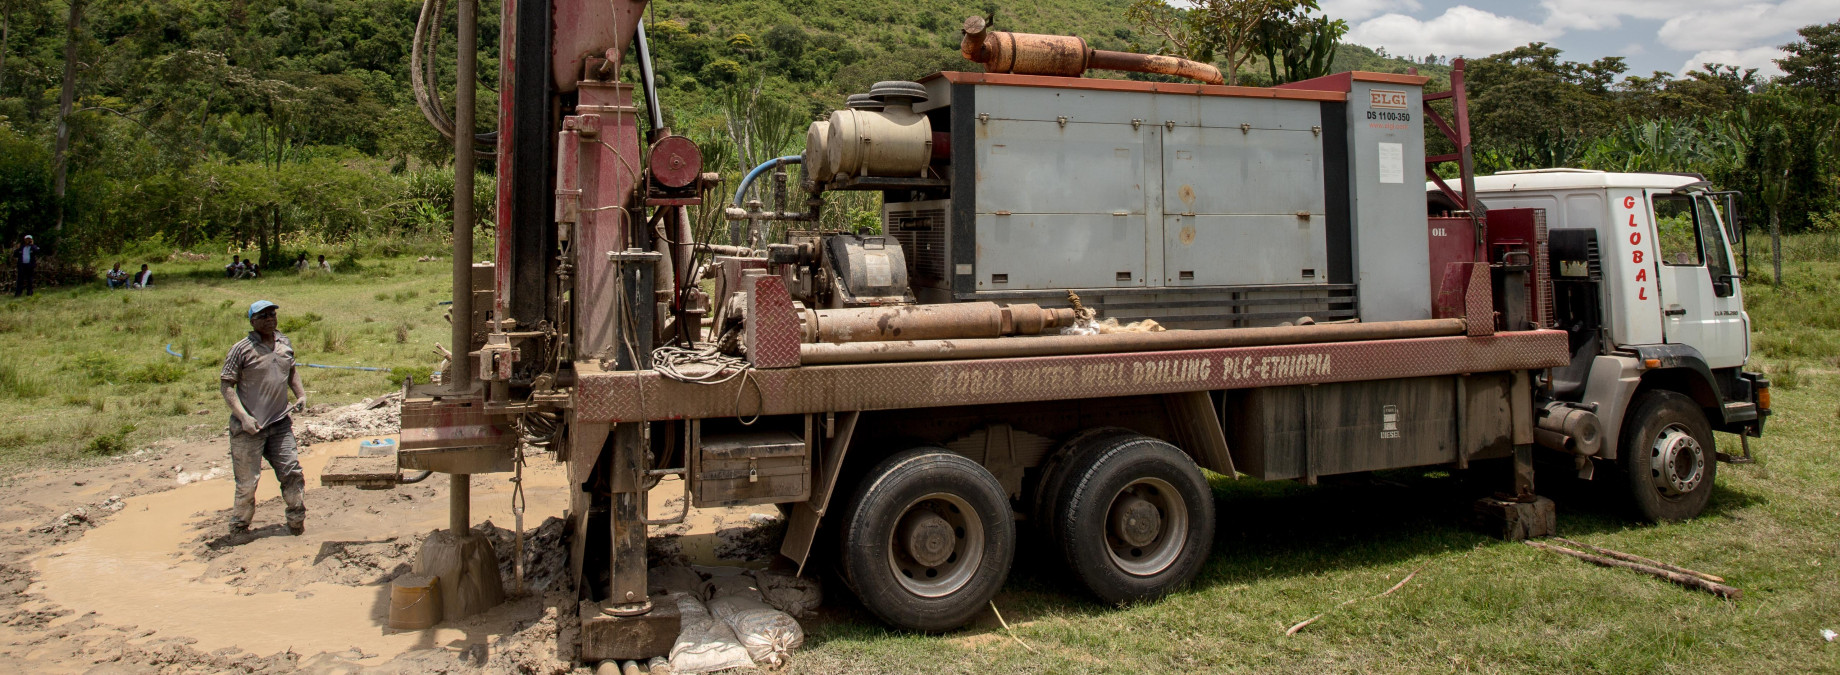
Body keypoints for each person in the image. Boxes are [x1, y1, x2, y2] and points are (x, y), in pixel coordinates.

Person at [219, 300, 307, 536]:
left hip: (280, 423)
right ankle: (239, 528)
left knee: (292, 472)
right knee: (248, 483)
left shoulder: (284, 343)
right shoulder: (241, 349)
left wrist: (300, 394)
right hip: (249, 428)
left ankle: (296, 522)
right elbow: (226, 385)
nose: (270, 318)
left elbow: (292, 370)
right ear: (252, 321)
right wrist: (243, 417)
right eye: (263, 315)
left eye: (272, 314)